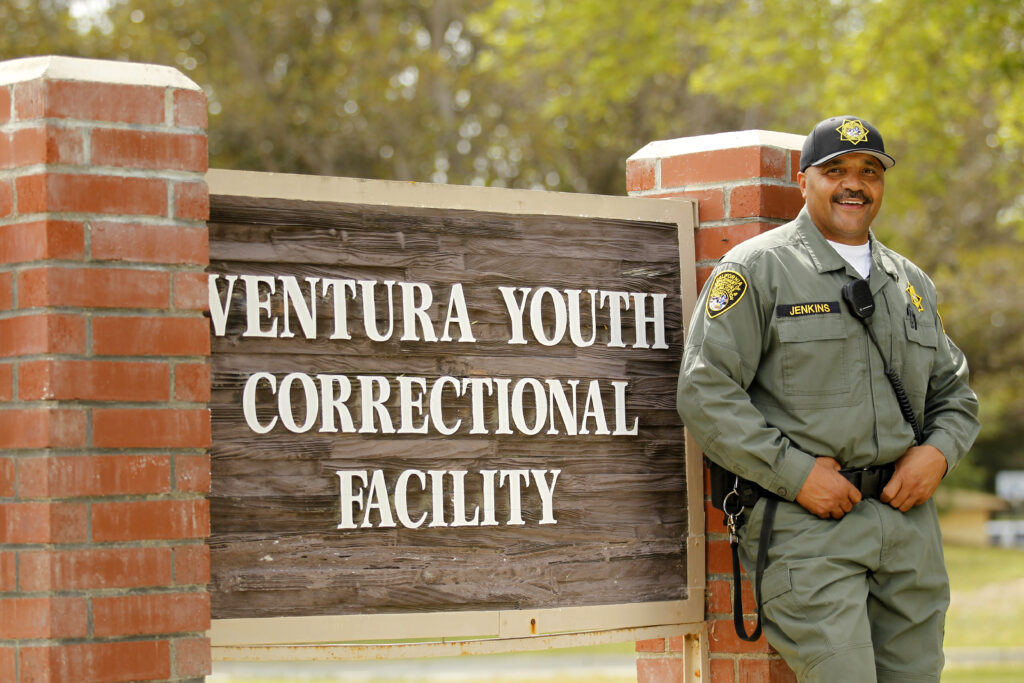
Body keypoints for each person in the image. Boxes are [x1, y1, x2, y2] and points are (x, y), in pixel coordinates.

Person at [678, 115, 980, 682]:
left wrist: (938, 454)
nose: (854, 183)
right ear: (804, 181)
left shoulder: (909, 281)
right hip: (808, 528)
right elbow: (705, 391)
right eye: (835, 169)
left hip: (906, 525)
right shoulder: (758, 268)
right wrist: (796, 474)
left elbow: (955, 395)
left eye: (869, 171)